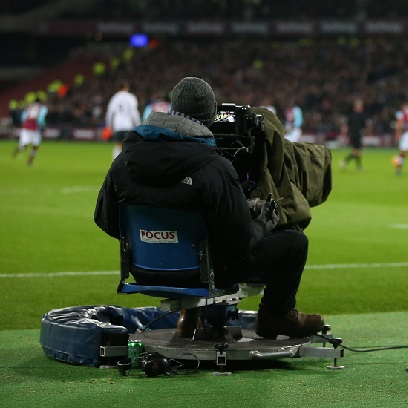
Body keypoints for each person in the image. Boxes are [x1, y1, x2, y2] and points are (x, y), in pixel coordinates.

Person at [94, 76, 324, 339]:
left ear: (172, 109)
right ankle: (276, 317)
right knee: (294, 243)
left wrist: (158, 239)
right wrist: (262, 222)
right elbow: (240, 240)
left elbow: (107, 221)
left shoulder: (123, 161)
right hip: (202, 274)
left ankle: (189, 317)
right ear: (210, 117)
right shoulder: (213, 167)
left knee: (209, 238)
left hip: (143, 269)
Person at [105, 80, 141, 160]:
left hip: (118, 125)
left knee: (118, 144)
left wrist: (109, 125)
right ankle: (128, 161)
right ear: (127, 88)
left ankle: (116, 161)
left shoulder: (115, 98)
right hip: (128, 125)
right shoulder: (131, 97)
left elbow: (110, 113)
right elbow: (134, 113)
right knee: (128, 144)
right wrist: (138, 125)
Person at [12, 97, 48, 166]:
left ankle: (20, 152)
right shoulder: (42, 108)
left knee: (27, 146)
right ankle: (29, 160)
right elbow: (41, 118)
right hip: (33, 129)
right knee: (34, 146)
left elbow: (23, 117)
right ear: (41, 102)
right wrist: (42, 126)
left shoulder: (29, 107)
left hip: (27, 128)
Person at [340, 98, 367, 171]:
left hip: (359, 135)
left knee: (357, 151)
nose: (359, 107)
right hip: (354, 135)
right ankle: (345, 161)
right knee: (357, 151)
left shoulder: (363, 116)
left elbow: (364, 126)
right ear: (355, 107)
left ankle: (358, 166)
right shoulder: (352, 116)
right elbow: (346, 125)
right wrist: (344, 134)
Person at [394, 101, 408, 175]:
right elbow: (399, 124)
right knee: (403, 153)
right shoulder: (401, 113)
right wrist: (398, 134)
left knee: (403, 153)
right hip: (406, 135)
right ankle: (399, 168)